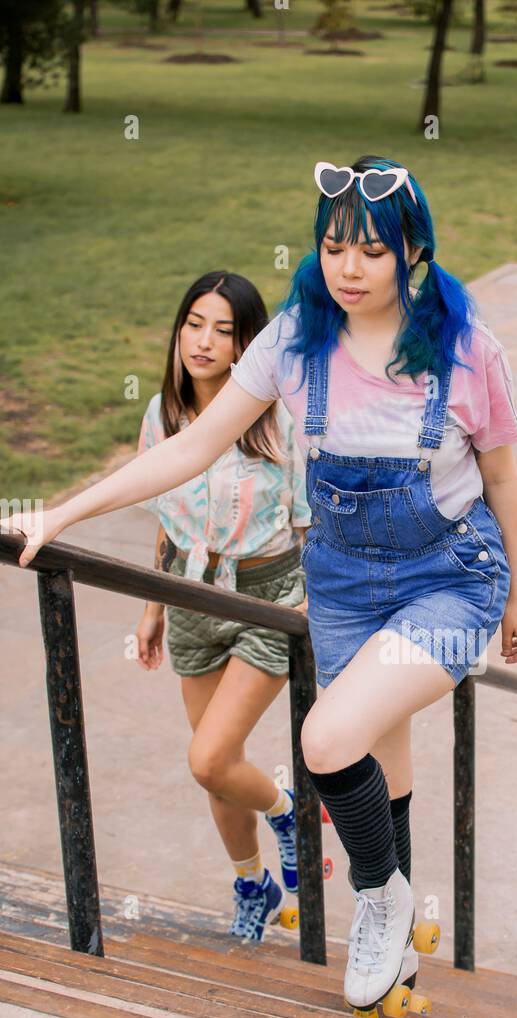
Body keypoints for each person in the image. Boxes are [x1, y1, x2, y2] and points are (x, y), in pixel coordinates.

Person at [4, 157, 517, 1018]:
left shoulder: (469, 351)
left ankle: (377, 899)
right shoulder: (292, 339)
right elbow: (187, 447)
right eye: (333, 248)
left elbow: (504, 480)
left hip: (452, 579)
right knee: (379, 759)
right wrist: (60, 515)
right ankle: (395, 949)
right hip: (344, 584)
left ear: (413, 252)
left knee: (325, 740)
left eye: (370, 251)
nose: (348, 269)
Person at [131, 270, 311, 941]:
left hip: (269, 598)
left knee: (210, 757)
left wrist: (316, 610)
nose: (203, 341)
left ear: (244, 346)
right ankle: (251, 884)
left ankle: (287, 810)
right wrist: (153, 608)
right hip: (190, 596)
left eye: (224, 330)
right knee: (217, 771)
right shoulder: (162, 415)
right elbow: (167, 517)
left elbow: (307, 523)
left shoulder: (276, 416)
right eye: (194, 324)